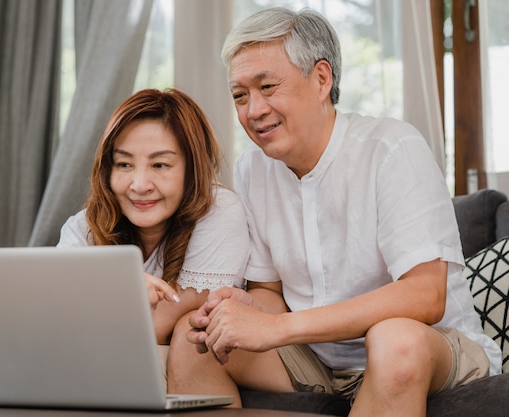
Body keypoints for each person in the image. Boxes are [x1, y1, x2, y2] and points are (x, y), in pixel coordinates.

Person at [166, 7, 502, 416]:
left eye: (267, 86)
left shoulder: (392, 148)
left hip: (429, 347)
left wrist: (279, 327)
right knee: (194, 336)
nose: (253, 110)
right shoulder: (252, 169)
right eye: (240, 95)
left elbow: (425, 295)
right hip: (318, 358)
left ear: (321, 79)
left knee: (394, 340)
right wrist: (250, 311)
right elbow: (269, 292)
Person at [57, 88, 250, 381]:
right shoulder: (82, 227)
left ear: (192, 169)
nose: (140, 184)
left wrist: (106, 296)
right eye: (124, 164)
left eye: (160, 165)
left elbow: (159, 325)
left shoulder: (219, 210)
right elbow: (55, 324)